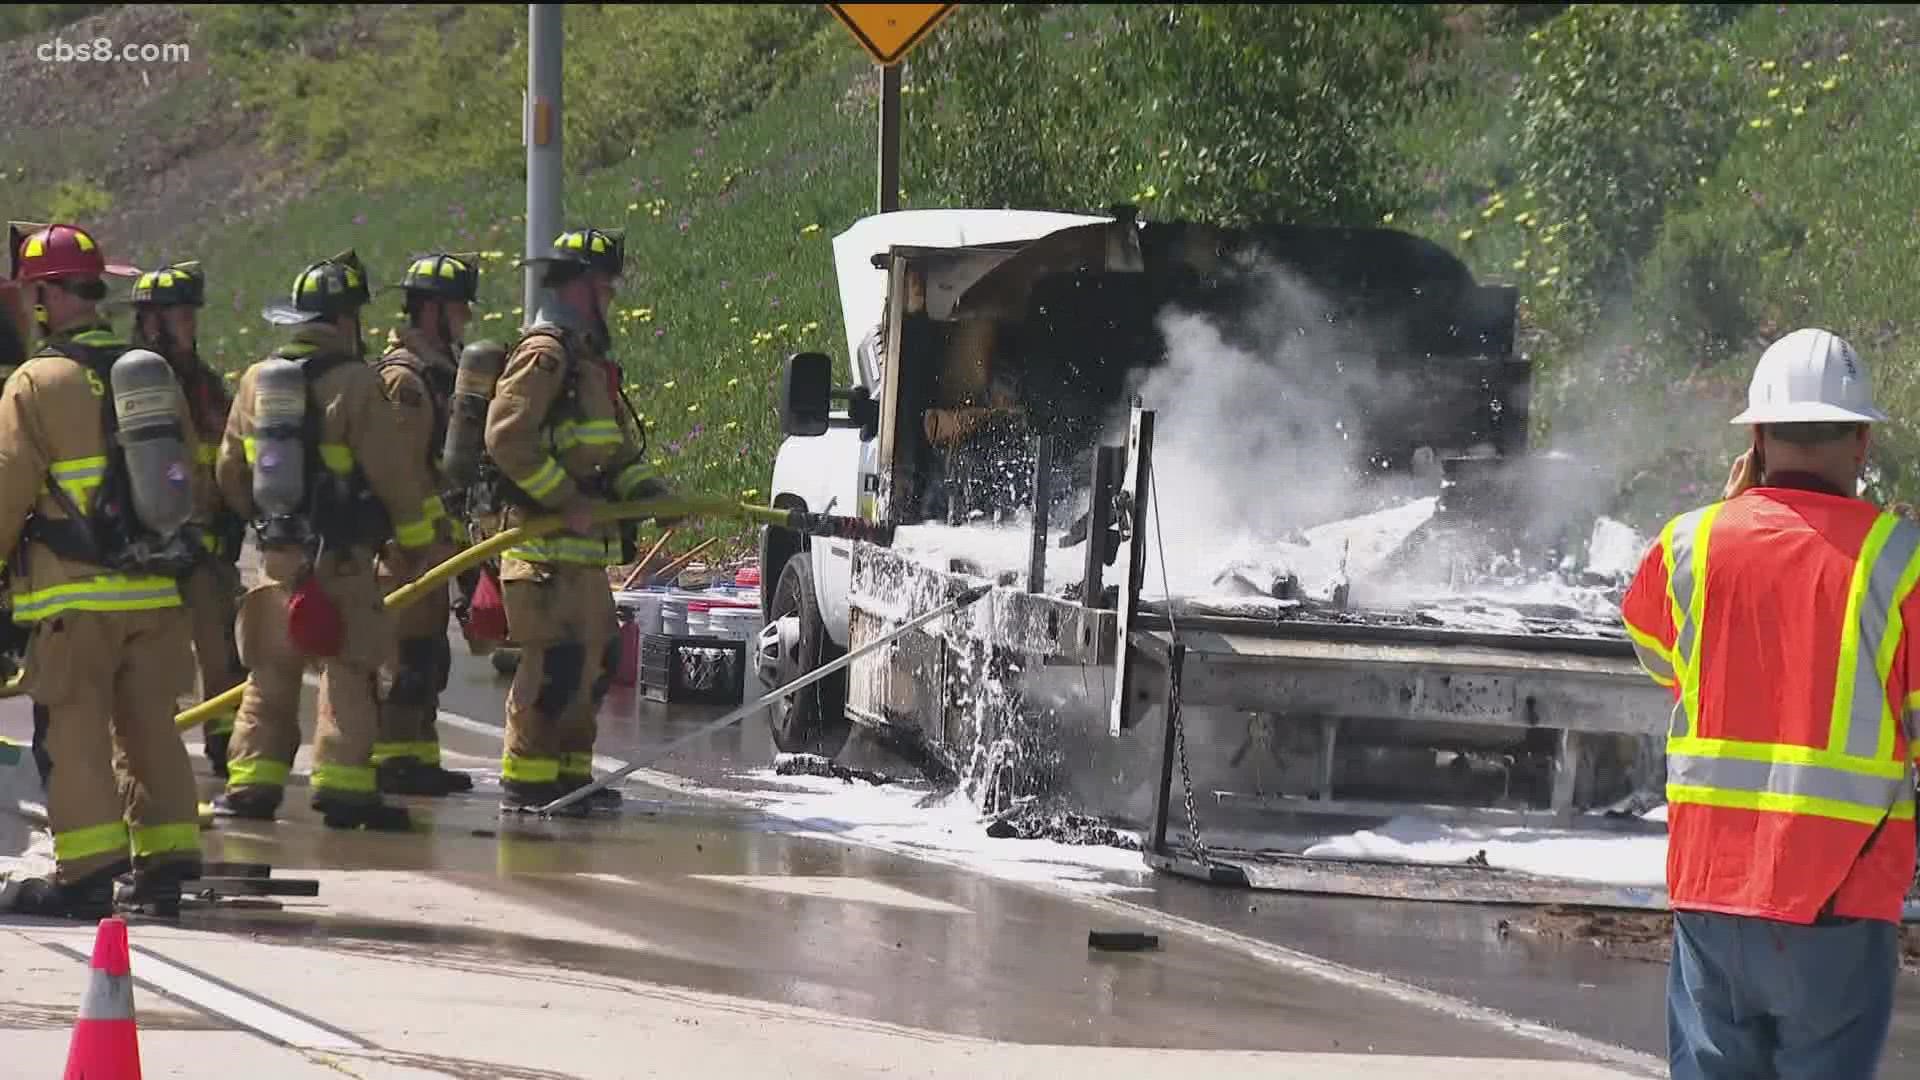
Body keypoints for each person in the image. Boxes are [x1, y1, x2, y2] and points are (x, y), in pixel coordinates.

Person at [1622, 327, 1918, 1080]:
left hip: (1712, 893)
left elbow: (1657, 654)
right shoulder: (1900, 560)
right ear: (1861, 443)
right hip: (1841, 900)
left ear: (1756, 436)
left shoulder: (1688, 543)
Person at [0, 222, 204, 917]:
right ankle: (169, 862)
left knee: (75, 732)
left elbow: (7, 488)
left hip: (74, 597)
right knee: (151, 727)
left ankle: (86, 874)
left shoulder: (38, 381)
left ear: (48, 297)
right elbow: (187, 480)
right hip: (152, 590)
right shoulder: (150, 373)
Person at [212, 251, 437, 831]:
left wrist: (265, 527)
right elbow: (394, 475)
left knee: (269, 674)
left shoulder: (257, 380)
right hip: (340, 560)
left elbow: (230, 472)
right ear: (346, 321)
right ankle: (343, 789)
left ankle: (252, 786)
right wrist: (412, 542)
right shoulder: (357, 382)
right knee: (349, 670)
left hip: (276, 559)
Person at [483, 227, 671, 814]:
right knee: (555, 666)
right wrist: (564, 498)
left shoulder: (587, 362)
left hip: (579, 554)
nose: (612, 296)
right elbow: (505, 437)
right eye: (605, 286)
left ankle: (569, 780)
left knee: (595, 662)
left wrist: (653, 495)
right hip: (540, 550)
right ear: (581, 287)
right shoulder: (546, 354)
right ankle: (526, 781)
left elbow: (610, 450)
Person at [126, 261, 248, 779]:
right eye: (179, 315)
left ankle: (224, 742)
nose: (190, 324)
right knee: (155, 653)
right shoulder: (135, 382)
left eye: (191, 314)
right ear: (152, 320)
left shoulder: (204, 381)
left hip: (206, 535)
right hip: (153, 542)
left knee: (220, 647)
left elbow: (222, 448)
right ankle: (151, 746)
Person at [368, 252, 475, 796]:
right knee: (401, 665)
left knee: (427, 660)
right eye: (459, 308)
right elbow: (401, 474)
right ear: (433, 310)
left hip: (431, 546)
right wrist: (419, 538)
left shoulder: (439, 370)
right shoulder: (404, 380)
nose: (467, 319)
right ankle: (389, 764)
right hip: (402, 550)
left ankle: (417, 760)